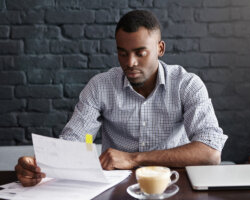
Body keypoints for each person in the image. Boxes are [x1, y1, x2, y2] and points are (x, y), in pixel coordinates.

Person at [15, 10, 228, 187]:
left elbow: (210, 153)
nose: (130, 62)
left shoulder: (186, 84)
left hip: (172, 186)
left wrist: (135, 158)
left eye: (140, 53)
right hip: (116, 187)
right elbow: (76, 141)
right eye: (122, 53)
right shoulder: (100, 86)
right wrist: (37, 165)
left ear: (160, 48)